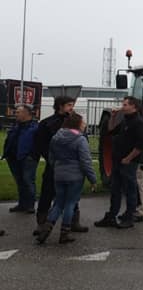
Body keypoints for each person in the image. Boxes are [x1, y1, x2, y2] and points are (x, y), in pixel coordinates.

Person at [36, 114, 96, 245]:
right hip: (75, 175)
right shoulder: (80, 140)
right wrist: (92, 179)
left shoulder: (56, 137)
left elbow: (51, 156)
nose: (84, 124)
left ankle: (45, 230)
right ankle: (64, 233)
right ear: (77, 124)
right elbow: (85, 161)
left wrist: (56, 167)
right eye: (83, 122)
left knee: (58, 203)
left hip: (59, 173)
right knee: (70, 203)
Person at [34, 96, 88, 233]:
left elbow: (83, 140)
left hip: (71, 166)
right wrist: (52, 159)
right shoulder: (47, 123)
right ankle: (42, 224)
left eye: (72, 105)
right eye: (69, 105)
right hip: (53, 165)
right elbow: (41, 144)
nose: (72, 108)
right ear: (60, 106)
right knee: (47, 193)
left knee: (73, 196)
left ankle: (73, 222)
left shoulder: (75, 121)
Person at [94, 96, 143, 229]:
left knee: (130, 190)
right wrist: (112, 117)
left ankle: (129, 217)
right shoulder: (125, 121)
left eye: (125, 105)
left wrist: (128, 158)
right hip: (117, 160)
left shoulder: (139, 123)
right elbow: (111, 130)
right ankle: (112, 215)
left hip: (128, 162)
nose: (122, 107)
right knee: (115, 189)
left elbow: (140, 145)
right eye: (123, 104)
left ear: (133, 107)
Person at [3, 105, 39, 214]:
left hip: (27, 159)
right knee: (20, 181)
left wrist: (32, 155)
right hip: (13, 158)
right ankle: (22, 204)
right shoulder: (16, 126)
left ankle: (30, 205)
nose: (16, 114)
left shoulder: (35, 127)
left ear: (26, 113)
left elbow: (39, 144)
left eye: (18, 112)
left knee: (28, 180)